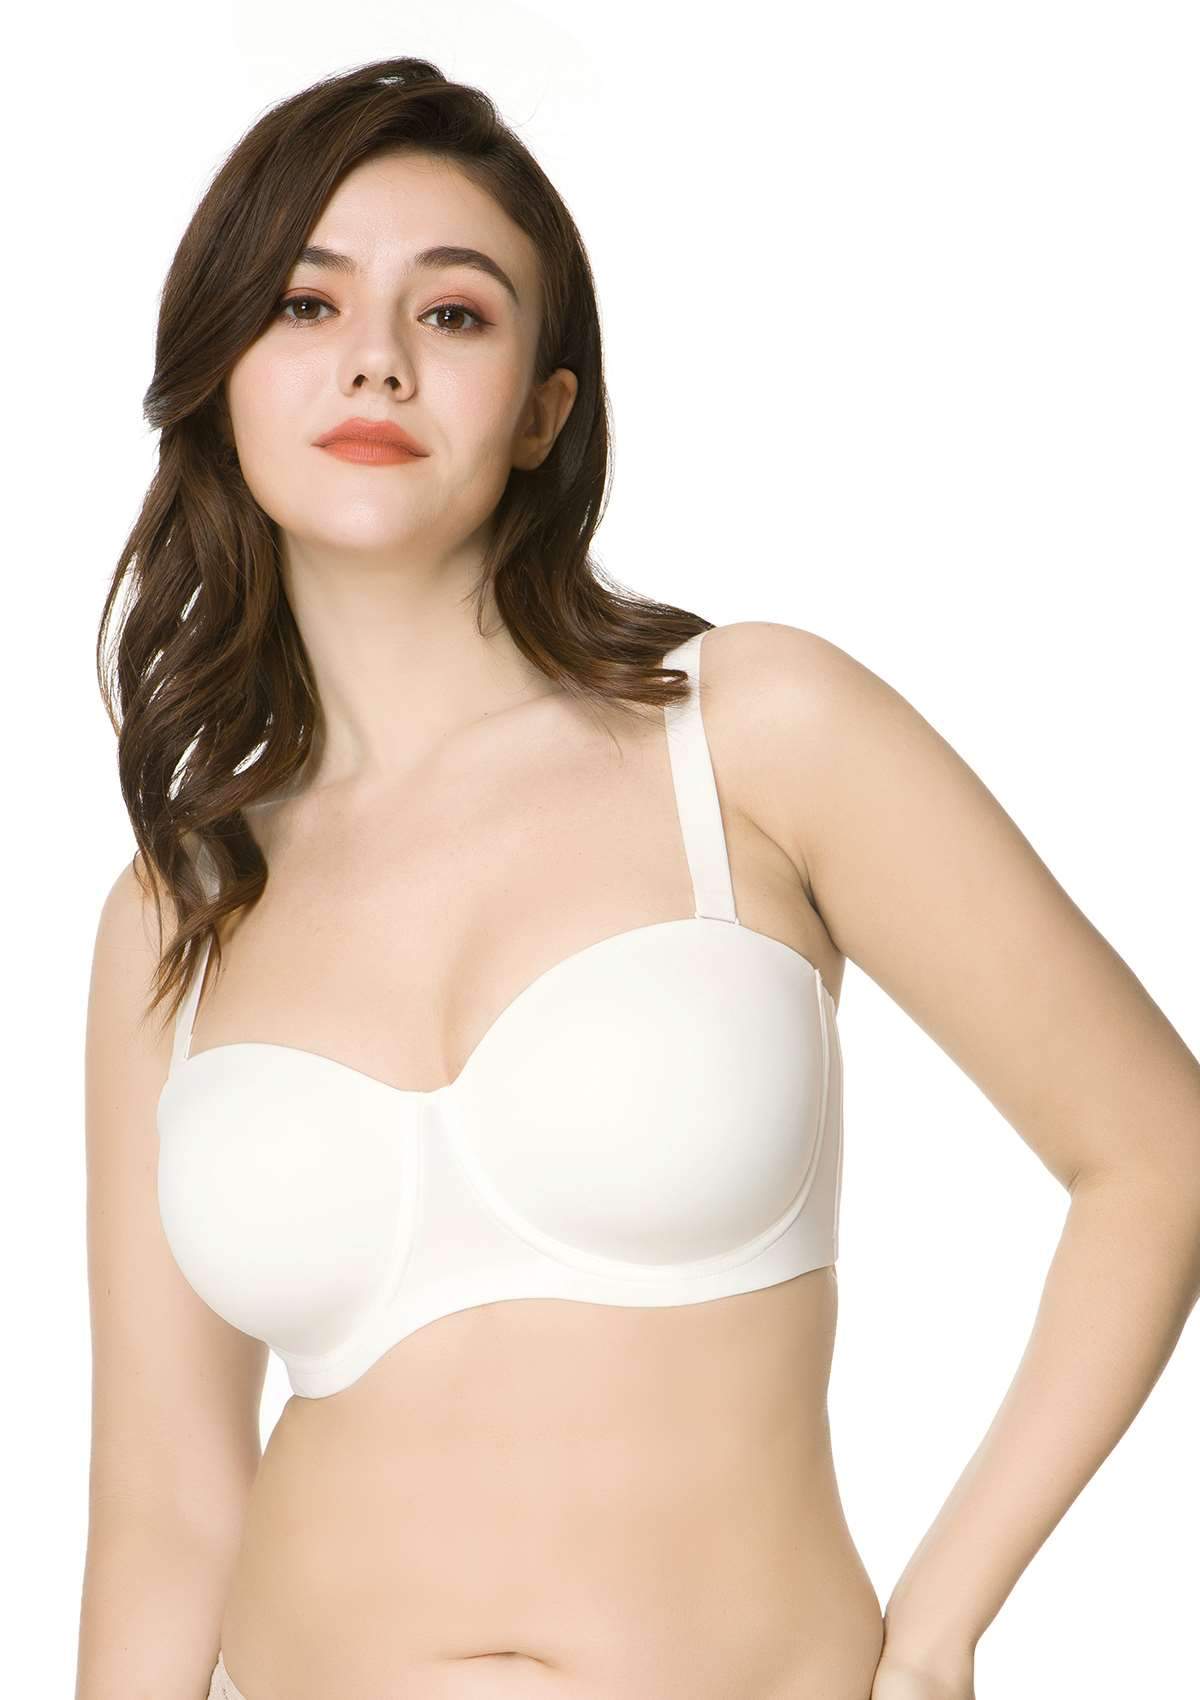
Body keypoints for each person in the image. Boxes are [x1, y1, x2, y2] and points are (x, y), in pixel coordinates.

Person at [76, 55, 1200, 1700]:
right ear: (221, 374)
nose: (377, 357)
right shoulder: (174, 911)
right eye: (306, 305)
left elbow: (1157, 1153)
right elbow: (166, 1512)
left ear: (545, 408)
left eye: (453, 312)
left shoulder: (752, 733)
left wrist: (939, 1630)